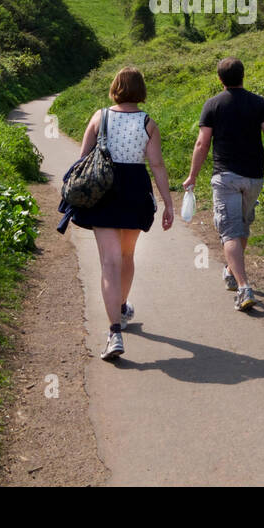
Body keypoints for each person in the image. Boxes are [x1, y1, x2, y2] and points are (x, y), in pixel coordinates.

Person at [71, 66, 173, 360]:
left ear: (115, 87)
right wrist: (167, 202)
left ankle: (114, 331)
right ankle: (122, 306)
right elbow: (157, 166)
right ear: (141, 90)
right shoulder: (148, 123)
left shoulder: (99, 117)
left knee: (109, 262)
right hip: (135, 192)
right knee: (127, 256)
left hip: (103, 191)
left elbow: (82, 160)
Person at [183, 57, 264, 311]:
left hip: (226, 177)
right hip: (254, 176)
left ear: (220, 79)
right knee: (240, 227)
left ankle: (244, 287)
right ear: (243, 75)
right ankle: (231, 270)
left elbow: (202, 143)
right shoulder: (260, 103)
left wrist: (193, 175)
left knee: (231, 231)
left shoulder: (212, 105)